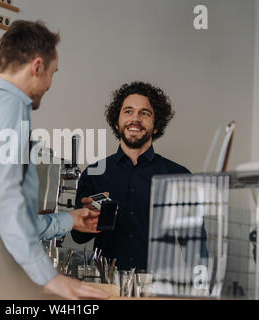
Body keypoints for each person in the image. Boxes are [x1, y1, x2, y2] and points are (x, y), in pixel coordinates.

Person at [0, 20, 110, 300]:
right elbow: (5, 201)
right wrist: (49, 276)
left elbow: (5, 218)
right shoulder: (8, 107)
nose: (49, 84)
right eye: (52, 73)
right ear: (37, 67)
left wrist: (69, 220)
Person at [71, 81, 195, 271]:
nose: (135, 119)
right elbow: (78, 238)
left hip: (158, 289)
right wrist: (88, 219)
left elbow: (193, 244)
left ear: (155, 126)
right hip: (106, 285)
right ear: (116, 122)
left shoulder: (179, 175)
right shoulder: (94, 173)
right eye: (128, 111)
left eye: (144, 113)